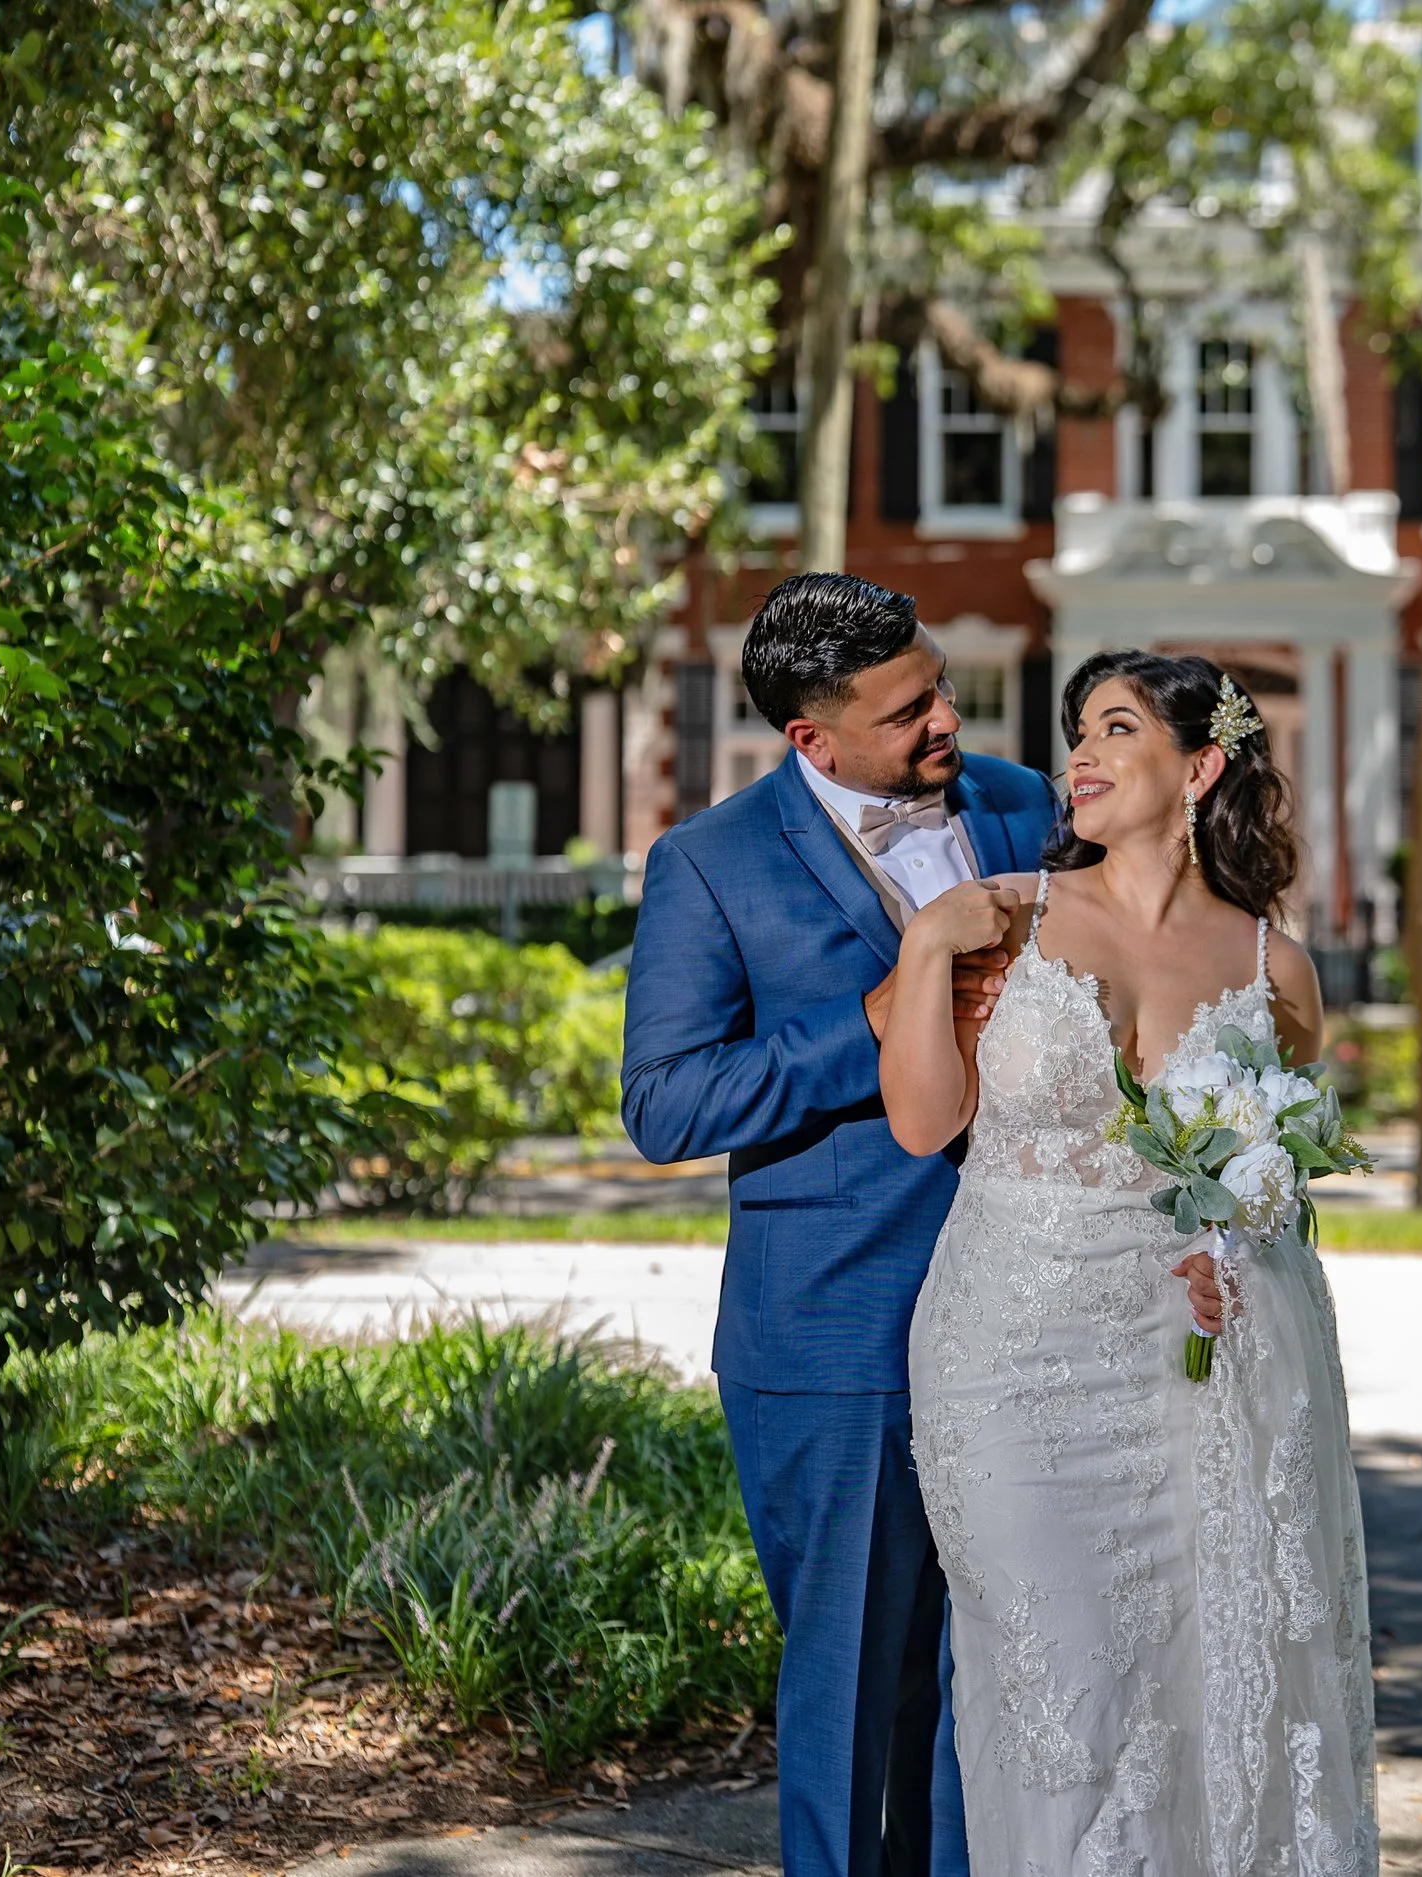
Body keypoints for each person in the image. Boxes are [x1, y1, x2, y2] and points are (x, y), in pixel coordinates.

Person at [878, 650, 1380, 1877]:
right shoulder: (1005, 913)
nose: (1079, 757)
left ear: (1200, 766)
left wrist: (1230, 1255)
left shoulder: (1276, 972)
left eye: (1114, 730)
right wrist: (934, 943)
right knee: (1057, 1688)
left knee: (1190, 1685)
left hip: (1185, 1382)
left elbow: (1269, 1175)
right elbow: (922, 1124)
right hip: (1006, 1354)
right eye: (1076, 735)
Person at [620, 573, 1060, 1877]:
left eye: (939, 685)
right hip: (830, 1334)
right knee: (850, 1686)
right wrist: (869, 1023)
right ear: (812, 738)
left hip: (1031, 1315)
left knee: (986, 1681)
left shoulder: (1024, 807)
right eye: (909, 705)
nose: (946, 716)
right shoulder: (709, 865)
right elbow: (666, 1102)